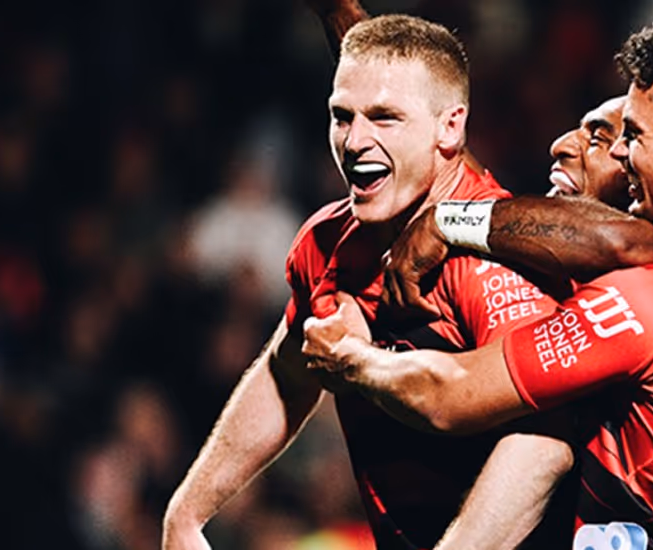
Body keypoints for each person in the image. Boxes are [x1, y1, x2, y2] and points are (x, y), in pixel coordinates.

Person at [300, 13, 653, 549]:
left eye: (632, 134)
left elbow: (450, 394)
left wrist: (353, 359)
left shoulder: (644, 306)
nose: (623, 153)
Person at [161, 14, 593, 550]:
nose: (355, 140)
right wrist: (187, 511)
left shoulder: (491, 256)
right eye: (342, 116)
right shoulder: (326, 241)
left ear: (449, 127)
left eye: (385, 118)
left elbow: (543, 446)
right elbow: (286, 374)